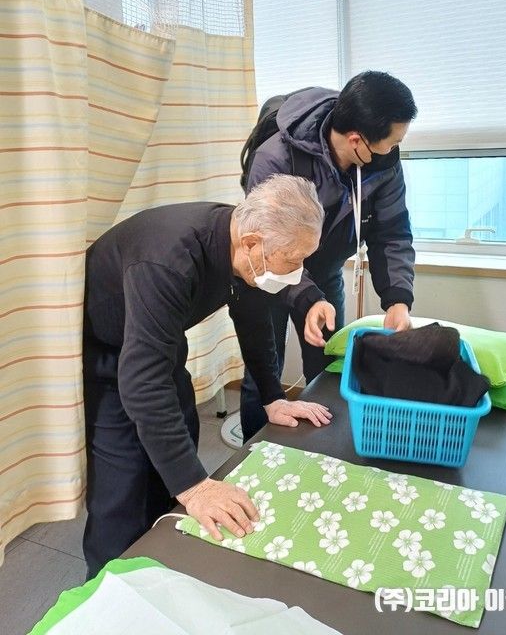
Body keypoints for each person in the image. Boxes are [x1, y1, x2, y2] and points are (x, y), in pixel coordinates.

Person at [82, 175, 332, 578]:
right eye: (292, 260)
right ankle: (105, 589)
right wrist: (195, 487)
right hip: (109, 357)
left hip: (159, 347)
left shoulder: (243, 248)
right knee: (124, 489)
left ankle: (158, 562)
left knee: (177, 448)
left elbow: (253, 322)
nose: (297, 272)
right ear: (251, 243)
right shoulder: (169, 259)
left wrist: (272, 397)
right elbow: (142, 382)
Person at [241, 71, 418, 441]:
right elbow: (270, 246)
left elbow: (392, 231)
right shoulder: (274, 159)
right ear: (356, 140)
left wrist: (398, 300)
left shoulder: (383, 163)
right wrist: (307, 298)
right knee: (264, 372)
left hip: (325, 270)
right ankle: (254, 454)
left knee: (328, 363)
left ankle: (325, 450)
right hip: (272, 273)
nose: (394, 149)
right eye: (391, 142)